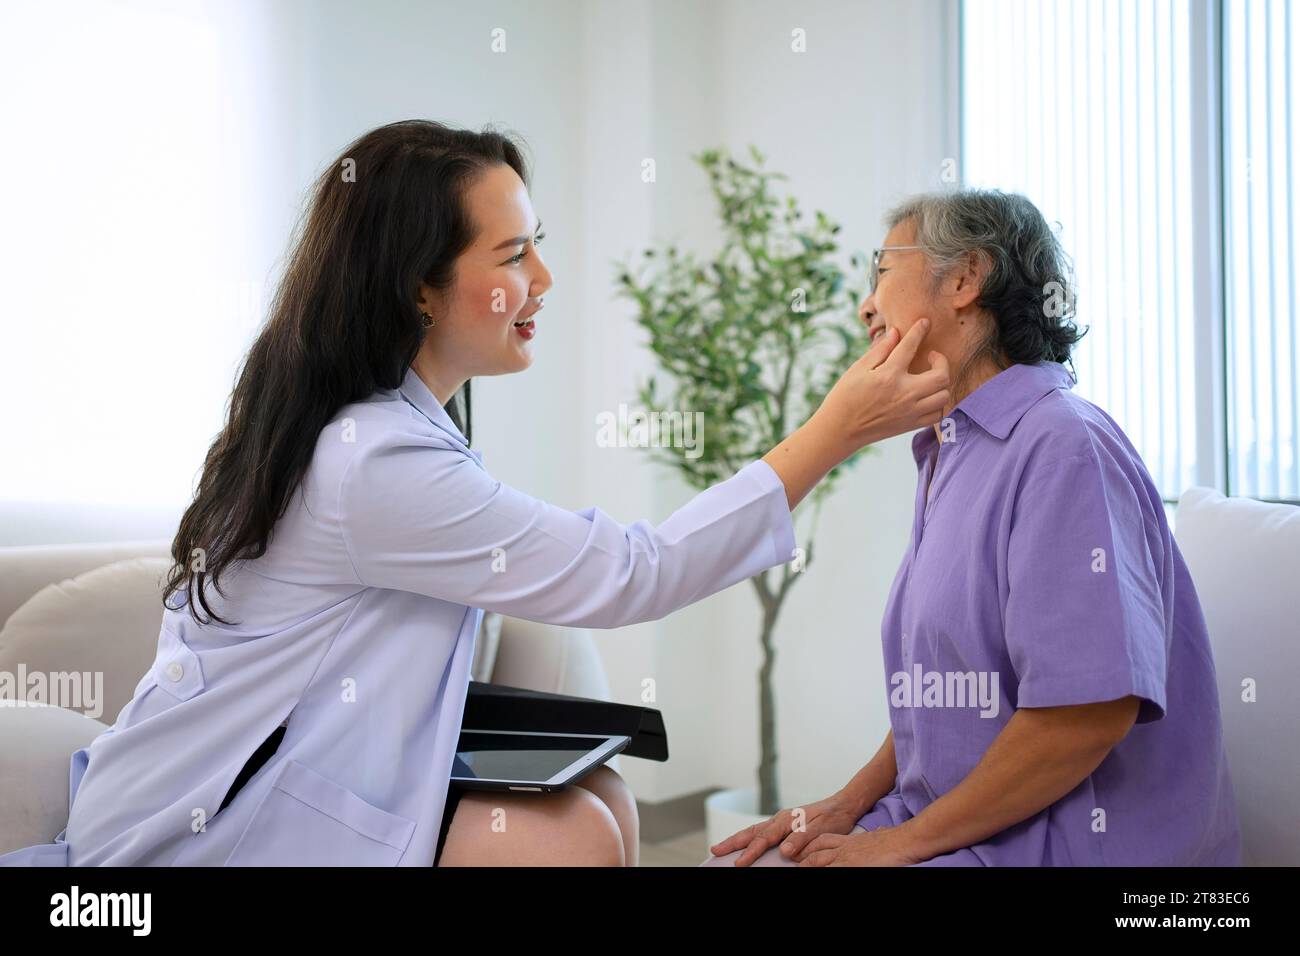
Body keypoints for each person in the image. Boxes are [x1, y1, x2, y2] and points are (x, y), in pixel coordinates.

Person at [0, 120, 949, 867]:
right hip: (207, 822)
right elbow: (630, 574)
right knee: (567, 837)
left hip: (303, 769)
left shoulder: (391, 426)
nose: (545, 278)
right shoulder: (371, 460)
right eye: (512, 258)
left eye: (537, 246)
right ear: (420, 288)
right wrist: (838, 428)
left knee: (604, 801)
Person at [703, 189, 1241, 867]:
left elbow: (1085, 716)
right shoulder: (950, 452)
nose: (866, 304)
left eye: (882, 273)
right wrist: (849, 803)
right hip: (957, 825)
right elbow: (956, 690)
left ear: (965, 279)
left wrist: (898, 844)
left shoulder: (1062, 446)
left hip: (1073, 844)